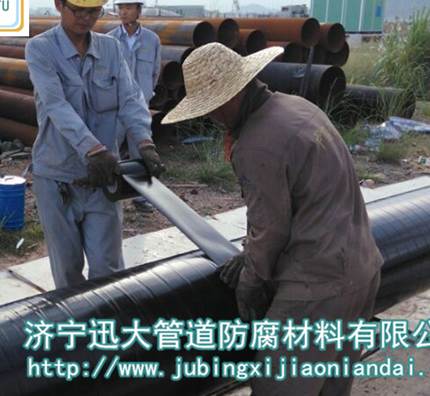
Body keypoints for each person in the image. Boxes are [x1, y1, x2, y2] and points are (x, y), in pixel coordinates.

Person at [162, 43, 383, 396]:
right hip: (362, 269)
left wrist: (251, 281)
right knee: (330, 387)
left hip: (317, 290)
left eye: (210, 108)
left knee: (278, 386)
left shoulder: (256, 144)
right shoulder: (297, 107)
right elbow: (297, 202)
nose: (211, 119)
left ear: (230, 96)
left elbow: (270, 227)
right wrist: (250, 250)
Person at [25, 0, 162, 289]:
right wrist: (94, 149)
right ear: (58, 4)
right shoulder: (40, 50)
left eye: (94, 10)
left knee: (109, 273)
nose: (86, 18)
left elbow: (130, 99)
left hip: (104, 179)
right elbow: (57, 106)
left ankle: (108, 326)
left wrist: (144, 141)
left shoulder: (111, 49)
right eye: (78, 9)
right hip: (58, 179)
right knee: (68, 274)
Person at [108, 0, 161, 213]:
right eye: (120, 7)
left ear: (139, 10)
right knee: (111, 146)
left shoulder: (152, 40)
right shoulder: (109, 40)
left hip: (140, 105)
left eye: (128, 7)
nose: (123, 12)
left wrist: (145, 95)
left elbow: (155, 72)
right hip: (116, 104)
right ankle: (111, 191)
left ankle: (140, 196)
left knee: (140, 149)